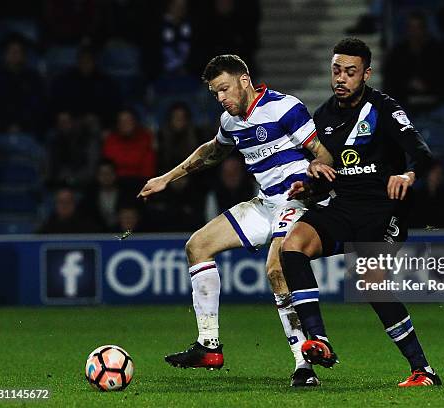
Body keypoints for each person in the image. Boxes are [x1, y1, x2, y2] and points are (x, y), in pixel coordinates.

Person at [137, 54, 334, 387]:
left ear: (245, 80)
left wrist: (316, 174)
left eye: (225, 89)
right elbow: (212, 151)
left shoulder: (284, 108)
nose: (221, 98)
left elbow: (323, 150)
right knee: (197, 246)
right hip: (267, 203)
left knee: (276, 268)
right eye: (215, 93)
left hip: (299, 200)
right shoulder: (230, 122)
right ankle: (208, 345)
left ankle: (304, 364)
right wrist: (165, 179)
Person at [280, 38, 441, 387]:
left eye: (350, 72)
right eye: (336, 70)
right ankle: (318, 340)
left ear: (365, 74)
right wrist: (309, 186)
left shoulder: (384, 108)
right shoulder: (322, 117)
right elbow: (329, 177)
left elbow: (422, 153)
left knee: (369, 282)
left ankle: (423, 370)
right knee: (291, 247)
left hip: (384, 210)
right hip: (343, 206)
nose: (341, 78)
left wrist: (408, 174)